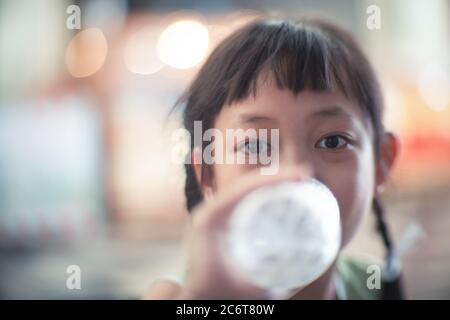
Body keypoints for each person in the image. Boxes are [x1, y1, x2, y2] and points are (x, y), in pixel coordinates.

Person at [144, 16, 403, 300]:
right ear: (207, 175)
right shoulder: (181, 296)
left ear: (380, 164)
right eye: (254, 146)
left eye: (333, 141)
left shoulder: (374, 284)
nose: (297, 173)